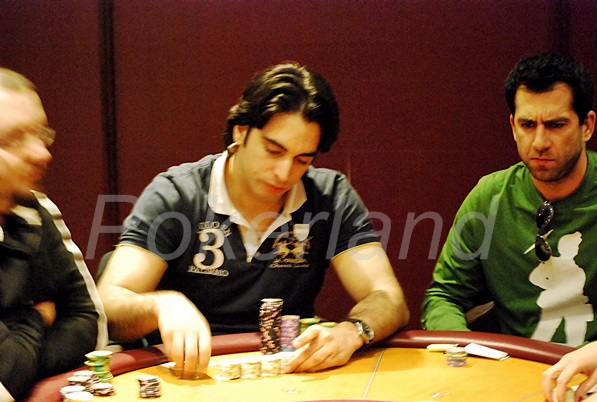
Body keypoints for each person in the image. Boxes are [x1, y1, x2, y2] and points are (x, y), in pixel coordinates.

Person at [98, 62, 409, 379]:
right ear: (241, 130)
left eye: (302, 160)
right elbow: (110, 302)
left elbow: (389, 298)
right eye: (273, 151)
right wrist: (162, 306)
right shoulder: (177, 194)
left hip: (290, 375)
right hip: (188, 376)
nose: (284, 174)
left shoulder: (329, 196)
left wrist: (353, 331)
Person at [421, 52, 597, 346]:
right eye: (528, 125)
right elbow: (444, 296)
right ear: (513, 126)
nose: (539, 142)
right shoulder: (489, 198)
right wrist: (464, 353)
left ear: (587, 126)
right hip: (514, 366)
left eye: (556, 125)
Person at [0, 67, 108, 401]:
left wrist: (19, 349)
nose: (42, 153)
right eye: (14, 139)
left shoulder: (35, 210)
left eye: (40, 134)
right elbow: (5, 376)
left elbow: (91, 325)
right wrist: (36, 318)